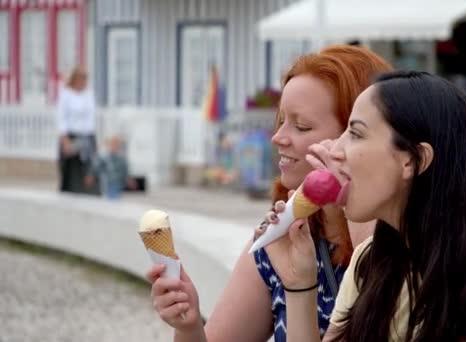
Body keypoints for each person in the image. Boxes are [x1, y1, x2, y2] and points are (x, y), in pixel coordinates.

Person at [264, 71, 466, 341]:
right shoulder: (369, 262)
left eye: (355, 133)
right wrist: (299, 283)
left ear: (413, 159)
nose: (334, 149)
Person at [145, 45, 393, 342]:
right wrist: (188, 326)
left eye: (301, 126)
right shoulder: (282, 237)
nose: (278, 137)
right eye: (281, 121)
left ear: (356, 135)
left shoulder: (400, 240)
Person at [56, 66, 99, 195]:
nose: (84, 82)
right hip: (71, 136)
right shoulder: (66, 94)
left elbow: (90, 117)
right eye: (82, 78)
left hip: (87, 136)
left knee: (90, 168)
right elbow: (61, 117)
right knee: (72, 174)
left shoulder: (89, 94)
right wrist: (65, 140)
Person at [85, 135, 136, 200]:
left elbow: (125, 171)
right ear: (109, 145)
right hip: (106, 183)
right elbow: (96, 167)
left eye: (116, 145)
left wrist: (129, 180)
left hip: (117, 183)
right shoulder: (104, 157)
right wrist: (91, 175)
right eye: (112, 144)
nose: (114, 147)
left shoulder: (121, 158)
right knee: (108, 199)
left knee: (114, 199)